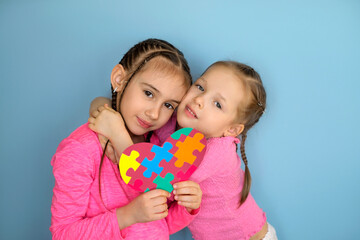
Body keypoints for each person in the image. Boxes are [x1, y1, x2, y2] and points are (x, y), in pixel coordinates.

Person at [89, 61, 278, 239]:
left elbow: (151, 180)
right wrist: (100, 108)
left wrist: (117, 133)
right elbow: (113, 103)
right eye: (200, 87)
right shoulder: (176, 123)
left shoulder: (216, 152)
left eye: (218, 104)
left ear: (231, 130)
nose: (200, 100)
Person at [50, 38, 203, 240]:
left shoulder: (157, 145)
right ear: (119, 78)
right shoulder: (81, 150)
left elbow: (160, 225)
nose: (154, 114)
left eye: (168, 105)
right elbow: (63, 234)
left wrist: (187, 207)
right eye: (149, 93)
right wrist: (128, 215)